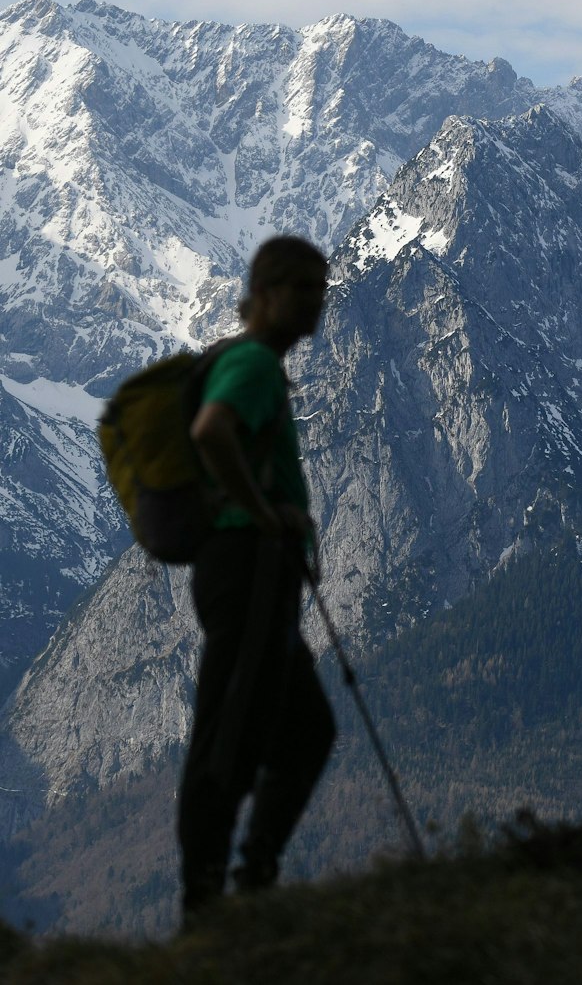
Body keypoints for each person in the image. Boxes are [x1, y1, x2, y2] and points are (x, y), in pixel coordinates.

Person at [178, 234, 336, 921]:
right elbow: (211, 430)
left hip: (254, 574)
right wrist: (265, 515)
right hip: (244, 571)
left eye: (320, 291)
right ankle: (208, 904)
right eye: (302, 290)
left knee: (303, 727)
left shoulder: (256, 363)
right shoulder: (253, 365)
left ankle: (251, 878)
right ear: (265, 294)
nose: (314, 305)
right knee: (231, 736)